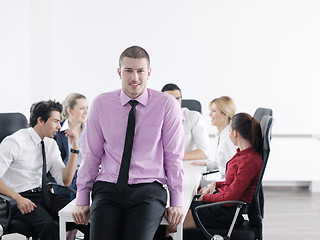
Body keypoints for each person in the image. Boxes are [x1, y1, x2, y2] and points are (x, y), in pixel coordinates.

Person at [72, 46, 185, 240]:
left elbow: (173, 156)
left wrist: (177, 201)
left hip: (148, 190)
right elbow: (91, 155)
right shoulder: (101, 104)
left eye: (140, 71)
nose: (135, 77)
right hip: (108, 188)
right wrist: (82, 197)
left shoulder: (167, 105)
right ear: (119, 72)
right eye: (128, 71)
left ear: (149, 73)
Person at [0, 100, 87, 240]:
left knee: (81, 213)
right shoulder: (14, 142)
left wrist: (75, 149)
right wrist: (18, 198)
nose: (59, 126)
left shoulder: (50, 144)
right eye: (56, 121)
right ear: (40, 120)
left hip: (44, 195)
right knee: (48, 226)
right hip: (19, 199)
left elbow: (64, 180)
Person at [183, 113, 263, 231]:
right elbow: (233, 184)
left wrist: (205, 198)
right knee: (178, 209)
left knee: (173, 222)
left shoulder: (249, 161)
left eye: (229, 130)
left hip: (225, 213)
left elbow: (230, 198)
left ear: (235, 133)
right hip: (221, 207)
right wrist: (215, 184)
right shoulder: (242, 154)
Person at [191, 96, 237, 182]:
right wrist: (205, 163)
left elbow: (233, 175)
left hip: (226, 185)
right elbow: (223, 163)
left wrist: (213, 185)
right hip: (224, 182)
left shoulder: (228, 140)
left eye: (214, 111)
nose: (209, 114)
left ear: (225, 114)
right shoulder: (222, 135)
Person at [52, 93, 88, 200]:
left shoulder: (91, 130)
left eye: (87, 108)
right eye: (82, 108)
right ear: (70, 110)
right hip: (67, 177)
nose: (86, 112)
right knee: (81, 185)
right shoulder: (57, 131)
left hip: (88, 173)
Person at [161, 83, 210, 160]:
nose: (174, 103)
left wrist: (174, 157)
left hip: (187, 165)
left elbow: (204, 152)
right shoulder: (154, 118)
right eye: (169, 99)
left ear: (181, 100)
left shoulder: (194, 117)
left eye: (177, 99)